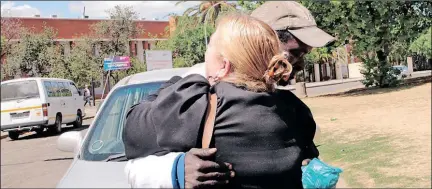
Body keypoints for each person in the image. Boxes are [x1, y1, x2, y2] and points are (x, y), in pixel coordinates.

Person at [124, 1, 335, 188]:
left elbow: (134, 131)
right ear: (260, 39)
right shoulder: (294, 108)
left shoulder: (195, 103)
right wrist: (174, 170)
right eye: (295, 53)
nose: (299, 64)